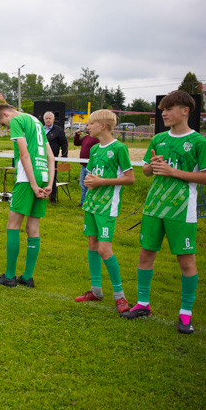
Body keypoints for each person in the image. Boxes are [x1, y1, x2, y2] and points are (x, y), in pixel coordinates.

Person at [121, 91, 206, 334]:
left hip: (181, 210)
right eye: (163, 109)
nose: (163, 113)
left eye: (169, 108)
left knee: (186, 261)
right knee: (145, 255)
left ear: (185, 110)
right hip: (154, 208)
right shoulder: (159, 138)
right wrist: (152, 166)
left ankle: (185, 313)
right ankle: (143, 304)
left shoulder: (199, 142)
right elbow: (145, 172)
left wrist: (174, 172)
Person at [73, 110, 135, 312]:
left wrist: (102, 182)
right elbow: (91, 174)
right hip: (91, 204)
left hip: (107, 207)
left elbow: (129, 178)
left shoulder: (119, 148)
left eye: (90, 124)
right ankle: (96, 290)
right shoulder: (94, 149)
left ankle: (120, 296)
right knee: (92, 244)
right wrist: (90, 181)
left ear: (103, 126)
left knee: (104, 249)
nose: (87, 127)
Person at [0, 104, 55, 288]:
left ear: (5, 114)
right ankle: (27, 276)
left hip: (28, 178)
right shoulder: (37, 122)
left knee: (13, 225)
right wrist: (49, 184)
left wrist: (33, 185)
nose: (8, 128)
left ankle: (9, 276)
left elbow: (24, 155)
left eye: (5, 124)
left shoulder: (18, 120)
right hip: (43, 176)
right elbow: (51, 156)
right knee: (33, 228)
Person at [43, 111, 68, 203]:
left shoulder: (59, 130)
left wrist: (64, 156)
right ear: (44, 119)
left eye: (50, 118)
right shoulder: (40, 130)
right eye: (46, 118)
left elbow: (64, 144)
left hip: (53, 158)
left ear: (53, 119)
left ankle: (52, 198)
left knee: (52, 177)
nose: (48, 120)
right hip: (41, 157)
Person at [74, 125, 100, 207]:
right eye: (86, 126)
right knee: (83, 184)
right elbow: (77, 143)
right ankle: (83, 202)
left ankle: (89, 202)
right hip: (83, 165)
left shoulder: (96, 138)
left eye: (88, 126)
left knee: (90, 185)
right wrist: (77, 135)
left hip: (91, 166)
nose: (86, 127)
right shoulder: (86, 138)